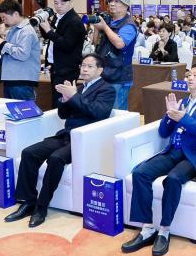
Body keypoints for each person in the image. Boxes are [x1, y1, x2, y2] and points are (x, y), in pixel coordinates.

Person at [122, 66, 196, 256]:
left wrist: (184, 118)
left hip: (192, 156)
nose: (190, 78)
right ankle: (147, 228)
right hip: (172, 151)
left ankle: (164, 230)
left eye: (195, 75)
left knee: (173, 179)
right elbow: (163, 132)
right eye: (188, 75)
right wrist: (170, 116)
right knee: (140, 173)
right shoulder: (182, 102)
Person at [6, 53, 116, 227]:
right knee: (29, 153)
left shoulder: (107, 89)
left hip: (84, 139)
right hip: (66, 135)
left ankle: (41, 207)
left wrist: (74, 96)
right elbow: (63, 115)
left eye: (89, 66)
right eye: (83, 65)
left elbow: (98, 112)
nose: (84, 69)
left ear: (100, 70)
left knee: (56, 158)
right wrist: (65, 100)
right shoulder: (79, 88)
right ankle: (28, 201)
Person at [38, 0, 87, 109]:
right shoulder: (58, 17)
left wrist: (48, 30)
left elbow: (66, 45)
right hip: (56, 67)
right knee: (56, 102)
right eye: (56, 3)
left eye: (62, 3)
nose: (58, 6)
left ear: (70, 2)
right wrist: (42, 23)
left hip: (67, 69)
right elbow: (49, 37)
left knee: (62, 104)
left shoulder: (75, 21)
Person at [90, 0, 138, 110]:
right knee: (103, 110)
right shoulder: (108, 21)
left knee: (117, 112)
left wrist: (105, 27)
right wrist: (97, 29)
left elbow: (119, 44)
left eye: (117, 1)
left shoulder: (129, 25)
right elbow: (96, 43)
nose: (112, 4)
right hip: (104, 73)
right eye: (111, 1)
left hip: (119, 77)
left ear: (126, 6)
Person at [0, 0, 41, 102]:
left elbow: (22, 54)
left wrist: (3, 44)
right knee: (13, 111)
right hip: (12, 78)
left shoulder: (26, 30)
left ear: (15, 14)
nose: (3, 21)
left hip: (21, 81)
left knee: (24, 111)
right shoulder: (13, 30)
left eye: (4, 17)